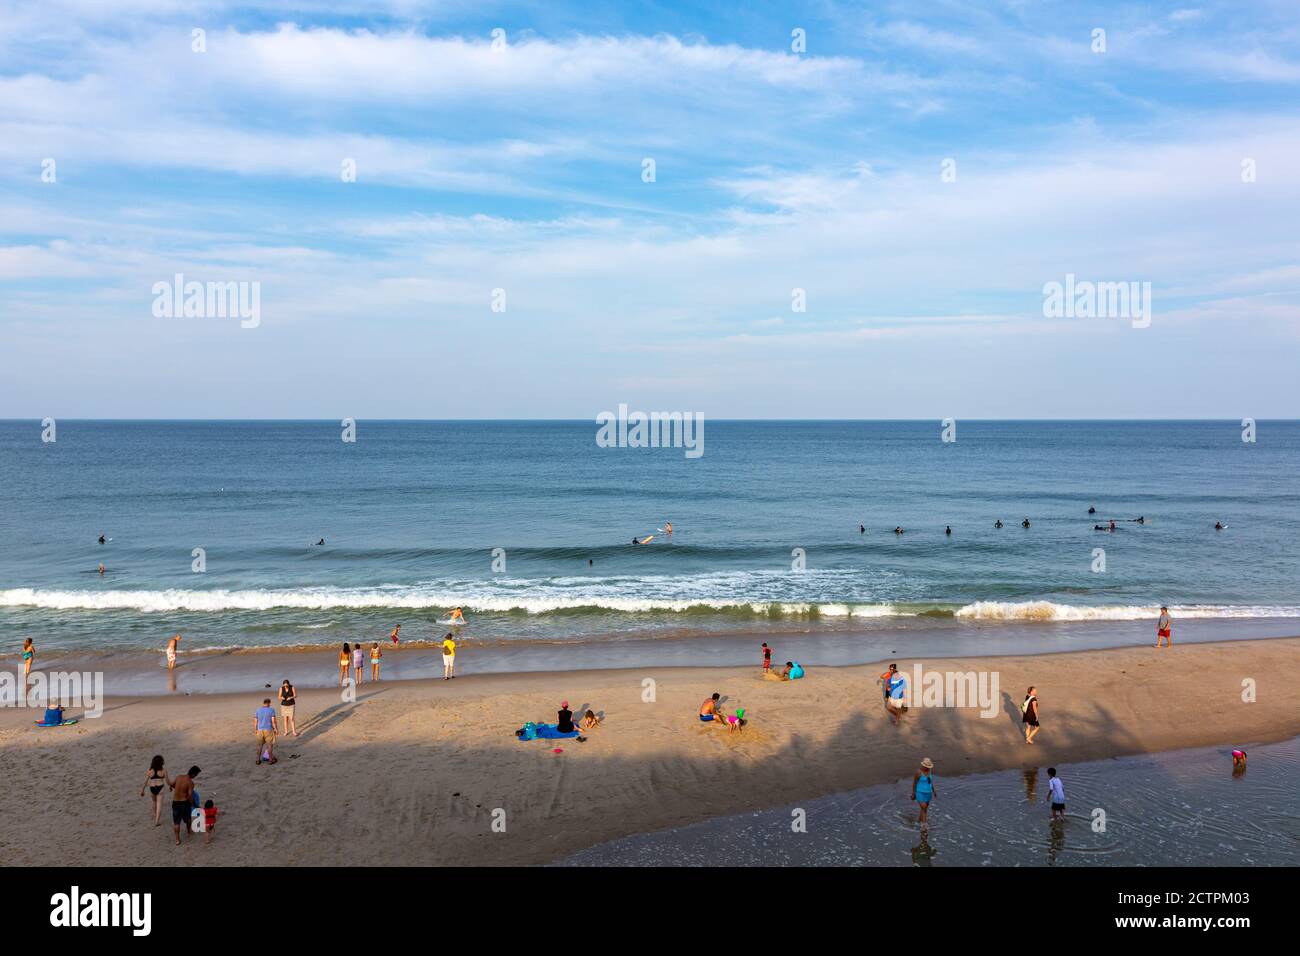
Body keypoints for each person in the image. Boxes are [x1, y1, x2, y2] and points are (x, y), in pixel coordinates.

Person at [140, 755, 172, 826]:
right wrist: (171, 786)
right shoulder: (163, 771)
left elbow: (145, 781)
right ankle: (157, 821)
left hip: (152, 788)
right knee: (159, 804)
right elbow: (167, 781)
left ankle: (154, 815)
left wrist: (142, 790)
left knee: (154, 802)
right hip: (160, 788)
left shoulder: (150, 771)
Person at [171, 767, 200, 845]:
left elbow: (172, 785)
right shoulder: (190, 783)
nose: (195, 776)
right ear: (193, 774)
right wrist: (195, 805)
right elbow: (190, 796)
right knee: (188, 819)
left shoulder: (178, 777)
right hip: (184, 803)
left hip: (175, 802)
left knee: (176, 822)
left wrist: (178, 789)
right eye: (196, 775)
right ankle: (189, 831)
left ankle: (177, 839)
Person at [254, 697, 278, 765]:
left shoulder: (258, 710)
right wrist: (276, 729)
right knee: (269, 746)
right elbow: (273, 721)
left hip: (260, 730)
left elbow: (255, 721)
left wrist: (255, 729)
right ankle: (270, 760)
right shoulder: (271, 710)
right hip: (269, 730)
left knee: (259, 746)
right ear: (269, 703)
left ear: (263, 703)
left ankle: (257, 760)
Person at [912, 758, 935, 824]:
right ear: (923, 766)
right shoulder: (918, 773)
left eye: (929, 767)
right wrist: (913, 793)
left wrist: (934, 790)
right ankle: (924, 826)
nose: (928, 768)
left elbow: (930, 782)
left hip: (928, 793)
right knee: (924, 808)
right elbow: (914, 783)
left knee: (924, 809)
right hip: (920, 793)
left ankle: (919, 821)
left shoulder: (929, 771)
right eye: (927, 767)